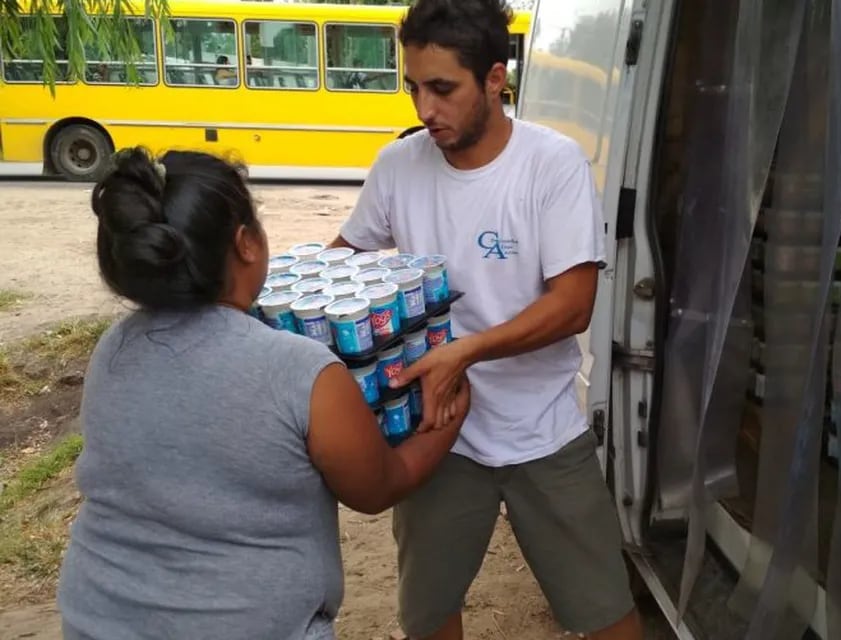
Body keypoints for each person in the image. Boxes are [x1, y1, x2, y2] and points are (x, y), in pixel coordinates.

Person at [57, 147, 470, 640]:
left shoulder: (113, 349)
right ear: (246, 243)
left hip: (97, 619)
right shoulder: (300, 371)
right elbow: (379, 486)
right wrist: (453, 413)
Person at [329, 1, 643, 638]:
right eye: (413, 87)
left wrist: (460, 353)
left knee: (606, 614)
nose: (424, 109)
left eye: (443, 89)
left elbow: (573, 303)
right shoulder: (399, 166)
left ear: (496, 79)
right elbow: (344, 267)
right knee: (430, 612)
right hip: (438, 434)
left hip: (543, 431)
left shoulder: (551, 164)